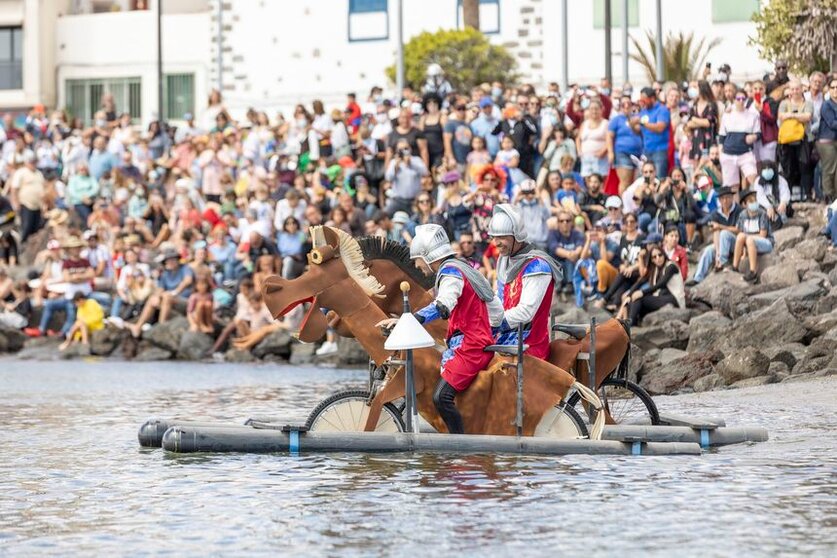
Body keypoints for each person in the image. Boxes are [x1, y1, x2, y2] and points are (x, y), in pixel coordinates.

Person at [379, 224, 500, 435]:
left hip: (471, 346)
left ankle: (458, 445)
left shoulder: (451, 271)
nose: (417, 265)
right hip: (462, 344)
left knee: (441, 397)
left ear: (428, 256)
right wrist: (404, 319)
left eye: (417, 259)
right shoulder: (455, 268)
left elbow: (443, 304)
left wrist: (410, 320)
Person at [489, 204, 563, 360]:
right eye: (494, 237)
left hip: (528, 346)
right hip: (502, 341)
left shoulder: (537, 266)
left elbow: (525, 312)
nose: (496, 242)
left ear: (517, 235)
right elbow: (500, 299)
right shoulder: (504, 261)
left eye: (502, 237)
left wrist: (492, 323)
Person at [688, 186, 741, 286]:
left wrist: (721, 226)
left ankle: (723, 262)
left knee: (725, 233)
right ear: (719, 200)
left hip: (737, 242)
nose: (725, 201)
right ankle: (698, 278)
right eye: (722, 198)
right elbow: (715, 232)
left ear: (732, 198)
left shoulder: (738, 210)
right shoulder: (716, 213)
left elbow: (739, 230)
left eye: (728, 197)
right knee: (708, 250)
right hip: (722, 243)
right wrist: (717, 253)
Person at [619, 246, 685, 326]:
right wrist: (629, 296)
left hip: (674, 299)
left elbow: (661, 283)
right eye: (654, 257)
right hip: (661, 298)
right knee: (633, 300)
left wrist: (642, 292)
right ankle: (632, 324)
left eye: (660, 255)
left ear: (664, 254)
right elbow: (640, 282)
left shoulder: (671, 266)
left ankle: (630, 326)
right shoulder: (655, 269)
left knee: (639, 298)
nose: (658, 258)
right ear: (652, 260)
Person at [777, 79, 815, 200]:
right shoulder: (784, 103)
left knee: (805, 167)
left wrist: (791, 115)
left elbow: (808, 117)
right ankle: (788, 196)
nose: (795, 91)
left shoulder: (808, 103)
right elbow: (781, 116)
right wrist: (799, 116)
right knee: (788, 169)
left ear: (801, 89)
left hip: (804, 140)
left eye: (797, 88)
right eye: (792, 89)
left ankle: (807, 194)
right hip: (787, 141)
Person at [718, 88, 760, 193]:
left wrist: (753, 137)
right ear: (734, 100)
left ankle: (762, 204)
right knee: (733, 188)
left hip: (746, 153)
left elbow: (758, 133)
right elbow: (722, 136)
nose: (741, 101)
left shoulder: (752, 115)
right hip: (728, 154)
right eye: (738, 98)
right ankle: (737, 208)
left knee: (754, 180)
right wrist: (720, 153)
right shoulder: (727, 115)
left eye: (743, 98)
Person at [732, 188, 774, 283]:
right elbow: (742, 234)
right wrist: (744, 253)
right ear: (745, 204)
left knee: (749, 239)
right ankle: (735, 266)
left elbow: (763, 235)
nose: (754, 202)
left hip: (765, 242)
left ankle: (753, 271)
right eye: (750, 201)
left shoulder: (762, 214)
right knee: (740, 236)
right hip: (750, 243)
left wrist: (748, 237)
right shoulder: (742, 215)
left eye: (755, 200)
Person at [607, 94, 643, 193]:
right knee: (625, 181)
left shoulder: (637, 118)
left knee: (637, 182)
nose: (626, 106)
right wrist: (610, 152)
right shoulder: (616, 120)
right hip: (622, 153)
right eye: (623, 104)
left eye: (629, 104)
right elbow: (609, 136)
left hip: (638, 154)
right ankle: (624, 205)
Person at [638, 87, 671, 177]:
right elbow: (638, 129)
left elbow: (660, 127)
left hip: (659, 150)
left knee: (659, 177)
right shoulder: (643, 111)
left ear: (652, 98)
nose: (642, 101)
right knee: (645, 178)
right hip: (646, 150)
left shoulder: (662, 110)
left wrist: (643, 123)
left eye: (644, 99)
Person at [816, 77, 837, 203]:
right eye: (833, 87)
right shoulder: (826, 104)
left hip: (835, 141)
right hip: (827, 141)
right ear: (829, 90)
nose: (836, 90)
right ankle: (828, 196)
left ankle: (835, 197)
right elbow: (832, 123)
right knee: (829, 169)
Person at [753, 159, 791, 227]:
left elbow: (785, 193)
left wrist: (783, 203)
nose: (767, 171)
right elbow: (760, 196)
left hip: (779, 205)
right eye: (765, 169)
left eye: (769, 169)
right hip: (765, 206)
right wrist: (768, 207)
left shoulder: (781, 180)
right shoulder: (758, 181)